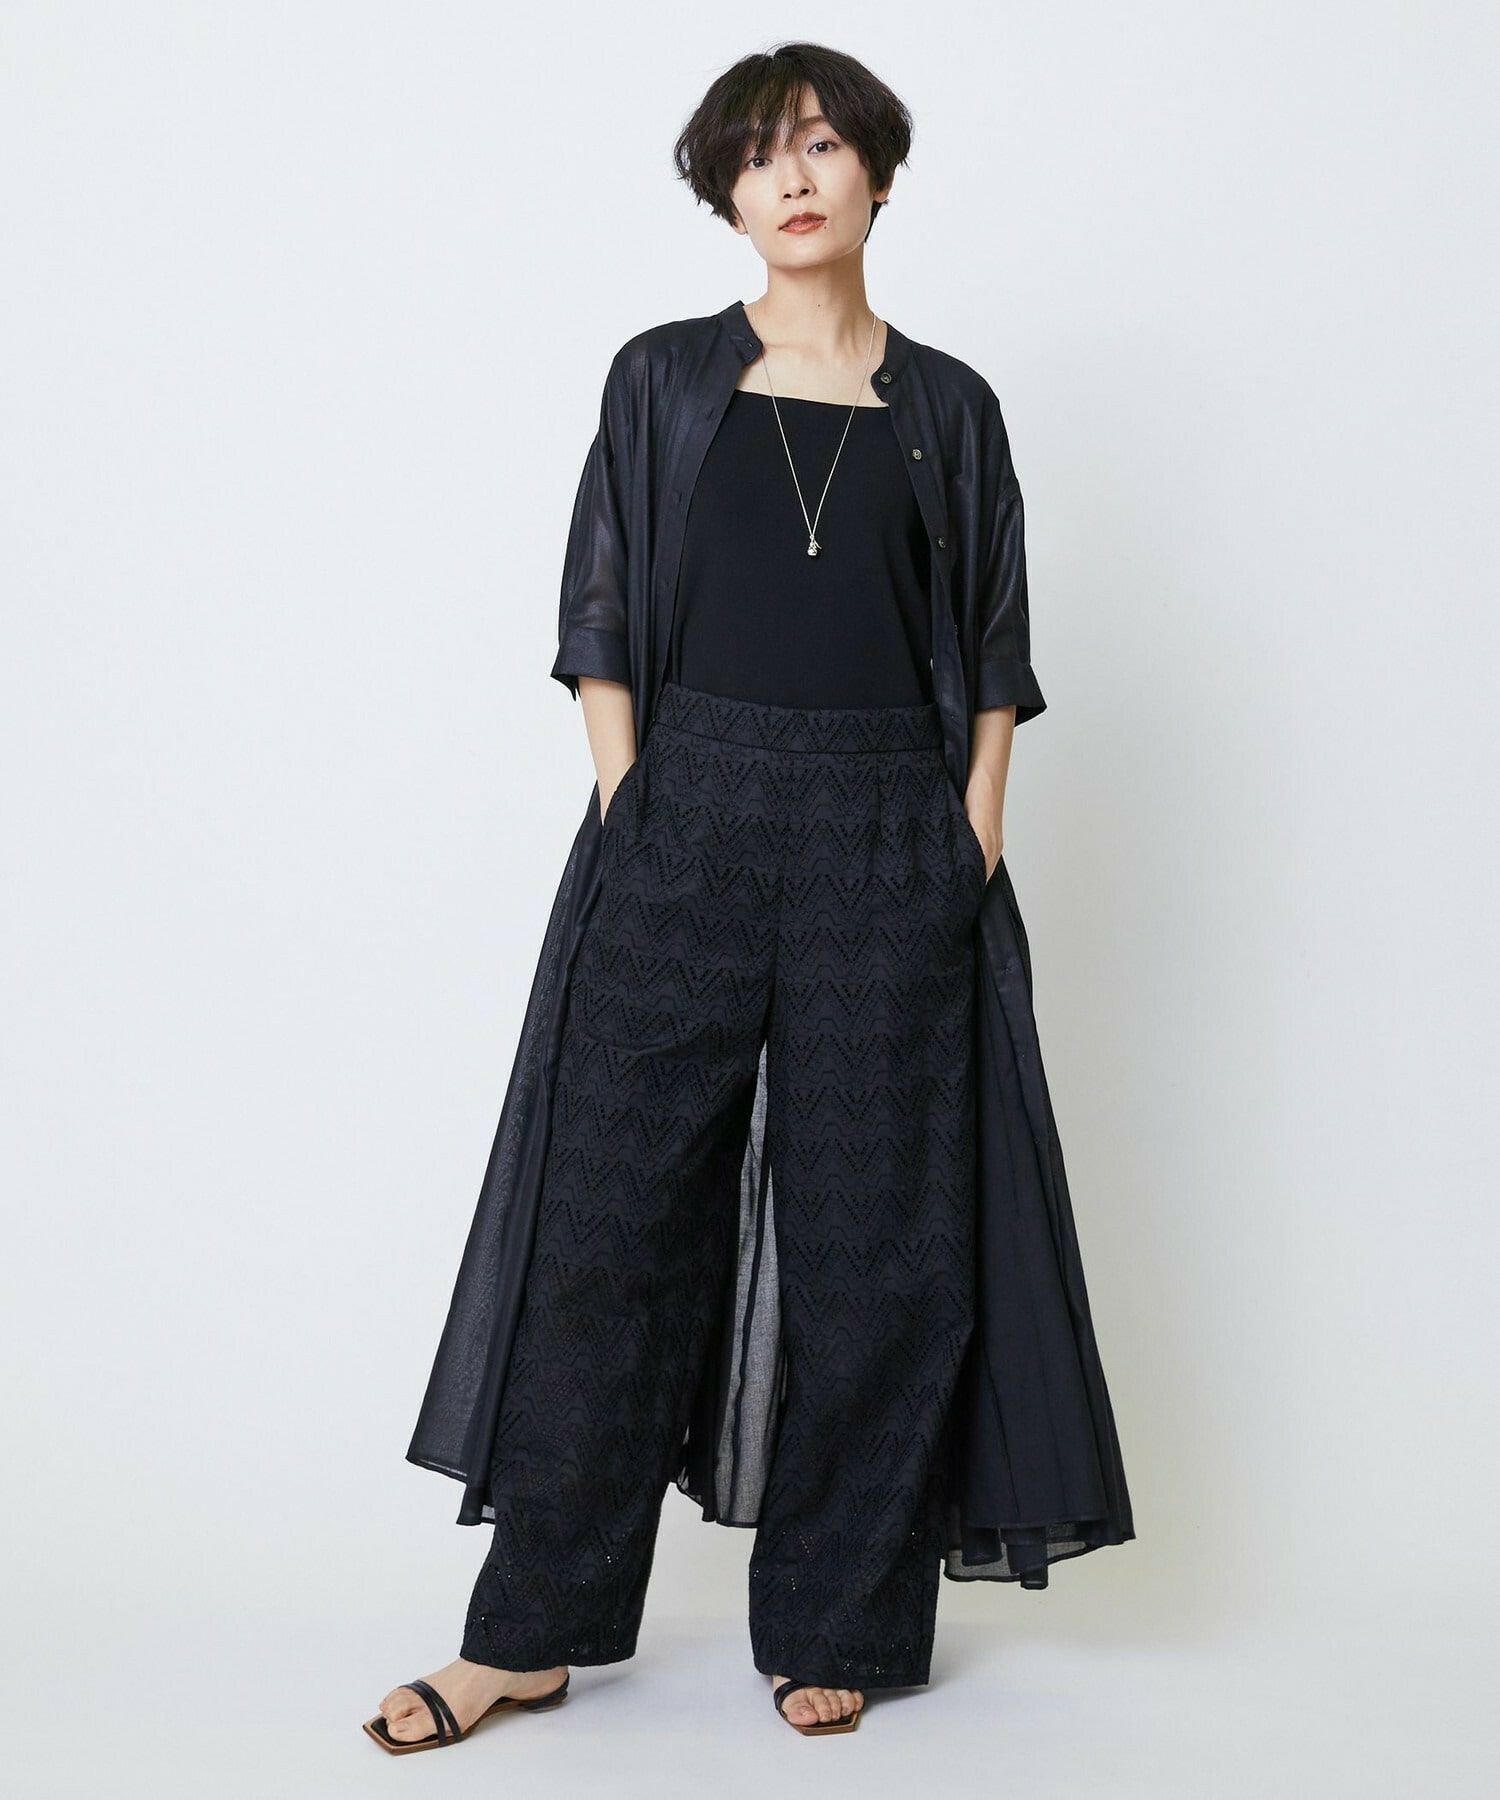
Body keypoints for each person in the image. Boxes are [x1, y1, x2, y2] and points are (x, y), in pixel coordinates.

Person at [367, 40, 1133, 1754]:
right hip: (687, 817)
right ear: (725, 192)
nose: (793, 176)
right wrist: (634, 800)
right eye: (759, 154)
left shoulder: (950, 408)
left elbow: (993, 652)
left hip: (886, 828)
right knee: (605, 1234)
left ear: (877, 174)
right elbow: (600, 611)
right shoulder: (661, 378)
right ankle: (532, 1632)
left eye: (824, 146)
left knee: (883, 1249)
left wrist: (970, 838)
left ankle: (836, 1620)